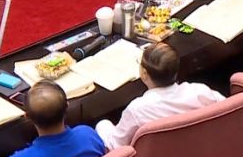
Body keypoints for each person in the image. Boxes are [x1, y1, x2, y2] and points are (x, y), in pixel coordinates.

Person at [95, 43, 225, 150]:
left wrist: (101, 125)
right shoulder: (201, 92)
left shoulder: (137, 110)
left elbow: (115, 146)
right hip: (200, 150)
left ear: (144, 73)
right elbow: (228, 107)